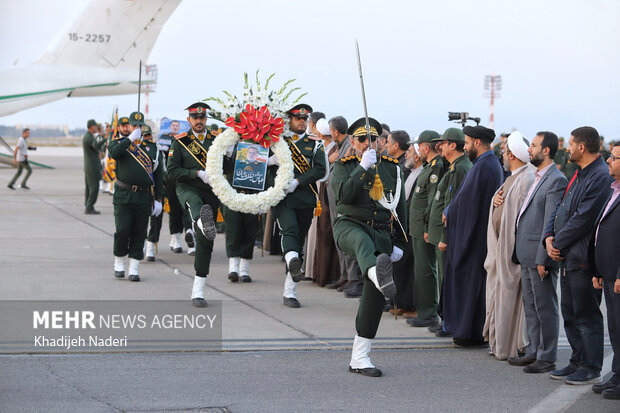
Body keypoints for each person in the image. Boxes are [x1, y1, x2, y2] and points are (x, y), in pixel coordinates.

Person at [331, 117, 407, 377]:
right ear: (352, 142)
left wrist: (398, 242)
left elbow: (400, 206)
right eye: (362, 139)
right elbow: (343, 196)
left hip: (381, 232)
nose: (368, 143)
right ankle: (377, 272)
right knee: (363, 246)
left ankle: (360, 358)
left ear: (382, 141)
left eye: (373, 138)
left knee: (374, 298)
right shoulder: (344, 166)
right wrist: (362, 168)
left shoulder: (392, 167)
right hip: (350, 226)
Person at [543, 126, 612, 384]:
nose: (567, 148)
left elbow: (584, 218)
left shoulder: (600, 176)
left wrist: (557, 243)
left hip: (582, 257)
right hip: (567, 255)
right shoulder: (579, 173)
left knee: (586, 314)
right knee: (570, 313)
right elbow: (561, 209)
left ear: (582, 147)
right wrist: (548, 238)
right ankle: (577, 360)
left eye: (571, 144)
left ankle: (591, 365)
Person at [510, 131, 567, 373]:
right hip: (526, 252)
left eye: (533, 145)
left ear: (546, 151)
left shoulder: (556, 179)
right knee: (531, 305)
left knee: (545, 306)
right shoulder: (537, 176)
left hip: (539, 254)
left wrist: (544, 256)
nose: (529, 149)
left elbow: (550, 222)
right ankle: (533, 350)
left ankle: (547, 356)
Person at [442, 125, 503, 347]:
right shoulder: (485, 164)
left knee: (473, 287)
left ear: (477, 142)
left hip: (475, 239)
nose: (464, 146)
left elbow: (467, 204)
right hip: (476, 235)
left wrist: (450, 212)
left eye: (467, 142)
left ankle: (470, 333)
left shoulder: (485, 166)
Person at [483, 131, 534, 360]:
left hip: (511, 256)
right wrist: (495, 201)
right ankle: (499, 343)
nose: (502, 155)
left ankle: (511, 346)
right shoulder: (512, 176)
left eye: (504, 152)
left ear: (512, 155)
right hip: (498, 254)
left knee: (511, 302)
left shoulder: (526, 179)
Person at [271, 103, 326, 308]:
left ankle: (289, 291)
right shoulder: (278, 143)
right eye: (297, 118)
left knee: (298, 243)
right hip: (283, 199)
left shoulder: (316, 144)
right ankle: (292, 270)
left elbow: (320, 170)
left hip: (305, 199)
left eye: (304, 119)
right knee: (290, 232)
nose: (302, 122)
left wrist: (297, 182)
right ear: (289, 121)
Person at [167, 102, 220, 307]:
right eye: (195, 118)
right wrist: (196, 173)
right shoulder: (180, 142)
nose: (199, 121)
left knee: (206, 242)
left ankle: (198, 291)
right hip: (188, 188)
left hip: (211, 192)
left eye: (202, 117)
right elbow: (171, 172)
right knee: (197, 207)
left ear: (206, 119)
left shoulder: (216, 141)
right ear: (189, 120)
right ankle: (199, 221)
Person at [427, 128, 473, 336]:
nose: (440, 147)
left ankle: (449, 322)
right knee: (443, 280)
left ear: (453, 145)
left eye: (443, 143)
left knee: (448, 280)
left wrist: (444, 237)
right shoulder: (454, 166)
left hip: (449, 235)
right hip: (441, 232)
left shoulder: (461, 169)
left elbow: (453, 206)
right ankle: (445, 318)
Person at [109, 113, 163, 282]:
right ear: (130, 127)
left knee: (140, 232)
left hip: (143, 195)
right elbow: (113, 153)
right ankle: (119, 261)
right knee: (123, 230)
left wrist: (159, 199)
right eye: (134, 126)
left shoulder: (153, 148)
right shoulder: (120, 144)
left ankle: (134, 267)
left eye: (139, 126)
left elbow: (159, 175)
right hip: (123, 195)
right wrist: (130, 139)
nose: (137, 128)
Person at [407, 130, 445, 329]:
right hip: (417, 227)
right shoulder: (428, 167)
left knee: (426, 270)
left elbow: (432, 202)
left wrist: (426, 227)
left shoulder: (436, 168)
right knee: (421, 270)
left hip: (424, 228)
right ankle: (425, 310)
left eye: (418, 146)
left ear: (426, 147)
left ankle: (429, 312)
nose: (416, 150)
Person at [591, 141, 620, 399]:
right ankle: (617, 374)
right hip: (608, 272)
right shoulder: (614, 190)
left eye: (615, 157)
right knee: (615, 328)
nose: (609, 161)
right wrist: (598, 269)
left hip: (618, 275)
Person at [324, 116, 364, 293]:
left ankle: (353, 278)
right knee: (339, 238)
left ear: (334, 131)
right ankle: (345, 276)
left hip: (343, 200)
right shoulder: (339, 147)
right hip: (334, 199)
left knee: (347, 238)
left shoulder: (349, 147)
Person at [386, 130, 415, 315]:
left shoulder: (404, 166)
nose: (386, 145)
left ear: (396, 145)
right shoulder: (398, 164)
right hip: (398, 222)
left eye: (388, 142)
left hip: (407, 224)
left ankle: (406, 303)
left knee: (406, 265)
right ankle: (398, 301)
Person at [312, 118, 340, 287]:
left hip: (327, 197)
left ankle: (327, 275)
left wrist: (327, 163)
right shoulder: (324, 148)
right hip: (320, 195)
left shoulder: (334, 150)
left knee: (327, 234)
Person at [83, 119, 107, 214]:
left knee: (89, 188)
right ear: (91, 127)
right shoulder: (89, 137)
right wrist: (105, 138)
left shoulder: (88, 136)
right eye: (95, 126)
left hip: (89, 166)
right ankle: (89, 207)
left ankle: (88, 205)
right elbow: (96, 145)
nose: (96, 128)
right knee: (94, 187)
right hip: (92, 167)